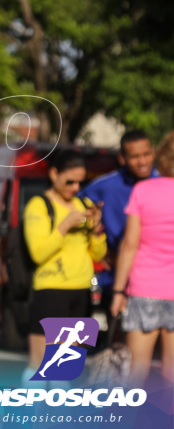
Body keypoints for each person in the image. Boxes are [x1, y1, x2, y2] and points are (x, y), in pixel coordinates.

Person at [22, 149, 106, 382]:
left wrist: (97, 229)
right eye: (70, 181)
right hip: (50, 289)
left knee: (65, 368)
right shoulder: (39, 206)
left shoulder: (84, 204)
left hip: (80, 290)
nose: (75, 188)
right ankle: (30, 415)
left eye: (80, 182)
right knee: (39, 364)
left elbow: (98, 254)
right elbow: (38, 253)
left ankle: (58, 417)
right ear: (54, 173)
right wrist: (65, 225)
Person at [110, 131, 174, 386]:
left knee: (136, 372)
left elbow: (129, 245)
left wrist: (117, 291)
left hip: (143, 290)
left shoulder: (143, 190)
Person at [81, 130, 157, 323]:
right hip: (116, 278)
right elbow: (73, 209)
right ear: (122, 158)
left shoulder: (164, 183)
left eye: (146, 154)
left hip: (157, 280)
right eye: (135, 156)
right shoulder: (106, 186)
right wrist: (99, 250)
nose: (142, 161)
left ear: (153, 152)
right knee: (118, 342)